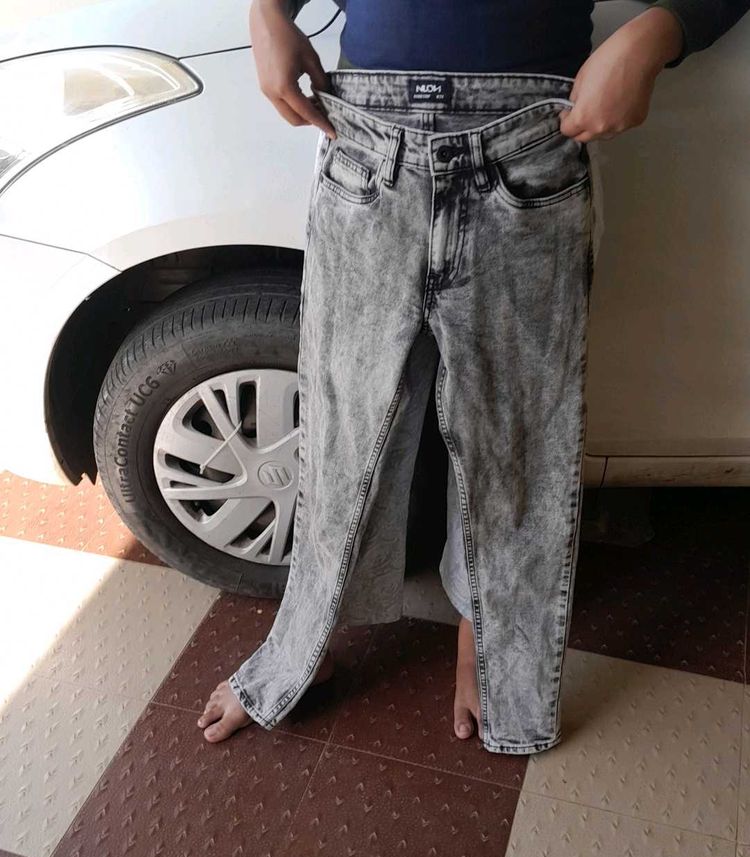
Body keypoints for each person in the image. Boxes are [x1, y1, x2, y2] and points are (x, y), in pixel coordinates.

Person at [198, 0, 749, 749]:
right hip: (367, 138)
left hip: (529, 140)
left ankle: (487, 646)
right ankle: (303, 647)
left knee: (514, 441)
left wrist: (662, 32)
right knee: (343, 432)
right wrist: (268, 8)